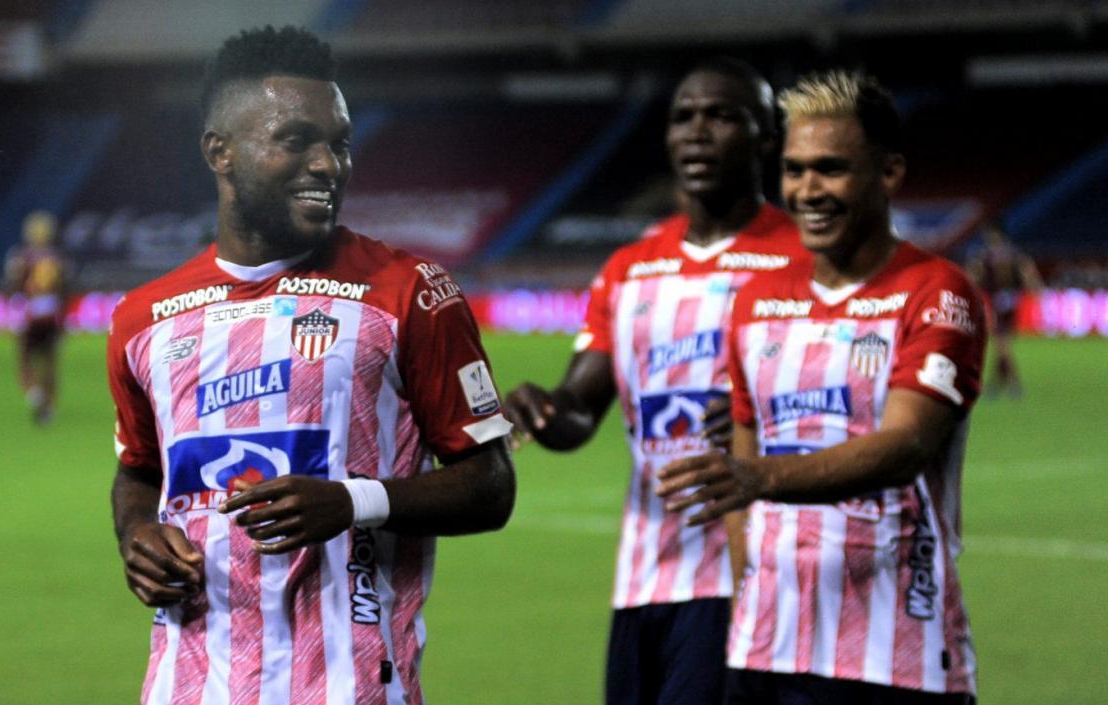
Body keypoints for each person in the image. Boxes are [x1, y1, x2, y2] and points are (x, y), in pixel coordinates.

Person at [107, 26, 515, 705]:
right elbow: (138, 468)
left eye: (340, 142)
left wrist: (355, 501)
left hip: (350, 684)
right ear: (221, 151)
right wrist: (137, 533)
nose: (329, 164)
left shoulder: (410, 291)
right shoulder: (143, 317)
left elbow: (491, 484)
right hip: (186, 684)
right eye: (296, 140)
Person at [657, 70, 985, 704]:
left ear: (888, 174)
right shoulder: (757, 302)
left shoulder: (937, 293)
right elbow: (738, 484)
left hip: (897, 655)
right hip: (764, 650)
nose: (808, 190)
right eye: (796, 170)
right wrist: (742, 603)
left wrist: (762, 478)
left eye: (831, 169)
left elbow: (907, 445)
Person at [503, 58, 802, 705]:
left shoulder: (801, 257)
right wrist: (544, 409)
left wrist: (766, 416)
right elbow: (581, 409)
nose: (698, 132)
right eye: (684, 117)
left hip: (752, 573)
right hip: (643, 575)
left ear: (766, 139)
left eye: (723, 116)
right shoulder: (631, 266)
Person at [3, 210, 68, 424]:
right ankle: (49, 408)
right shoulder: (57, 257)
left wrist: (12, 308)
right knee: (49, 363)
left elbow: (14, 285)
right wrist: (63, 318)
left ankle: (37, 396)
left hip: (30, 314)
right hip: (51, 314)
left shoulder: (21, 256)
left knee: (25, 361)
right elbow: (63, 289)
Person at [967, 222, 1042, 397]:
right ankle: (995, 384)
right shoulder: (1015, 254)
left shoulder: (985, 255)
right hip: (1010, 303)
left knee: (1002, 347)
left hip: (999, 304)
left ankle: (1015, 385)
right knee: (1001, 346)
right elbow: (1029, 275)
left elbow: (973, 276)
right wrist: (1036, 289)